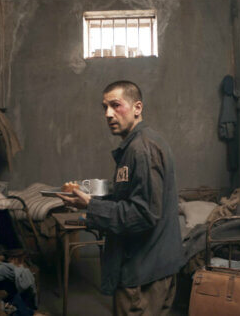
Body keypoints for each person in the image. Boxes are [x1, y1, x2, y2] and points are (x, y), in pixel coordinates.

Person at [57, 81, 184, 315]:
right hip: (150, 266)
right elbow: (129, 200)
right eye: (105, 107)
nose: (108, 114)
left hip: (143, 271)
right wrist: (88, 203)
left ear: (137, 107)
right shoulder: (136, 145)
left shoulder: (141, 149)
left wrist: (91, 206)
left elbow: (144, 214)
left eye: (116, 105)